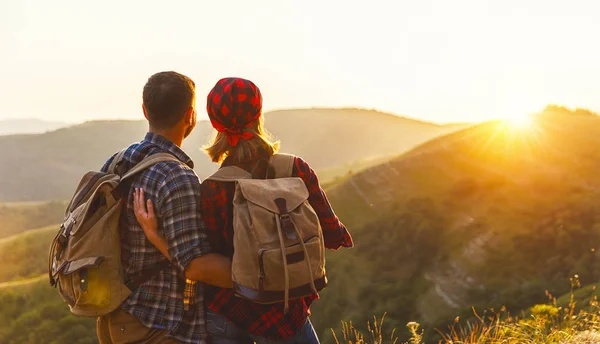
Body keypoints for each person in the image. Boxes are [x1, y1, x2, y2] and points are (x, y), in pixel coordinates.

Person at [134, 77, 354, 344]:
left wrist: (157, 237)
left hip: (228, 317)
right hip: (286, 317)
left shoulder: (212, 189)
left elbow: (200, 264)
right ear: (258, 114)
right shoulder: (296, 170)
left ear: (214, 124)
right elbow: (333, 236)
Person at [97, 71, 233, 344]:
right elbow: (195, 265)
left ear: (145, 111)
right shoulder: (176, 177)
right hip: (158, 327)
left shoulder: (118, 162)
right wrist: (261, 277)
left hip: (115, 319)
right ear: (190, 116)